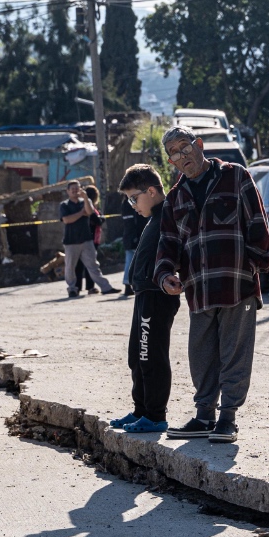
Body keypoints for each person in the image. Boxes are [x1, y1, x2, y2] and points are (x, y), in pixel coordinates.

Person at [154, 126, 269, 444]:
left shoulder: (235, 176)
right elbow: (167, 243)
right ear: (171, 162)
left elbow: (257, 223)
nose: (181, 156)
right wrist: (165, 276)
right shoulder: (175, 197)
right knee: (202, 354)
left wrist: (255, 266)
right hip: (199, 287)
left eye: (184, 147)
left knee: (235, 352)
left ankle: (228, 418)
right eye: (174, 153)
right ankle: (204, 415)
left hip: (238, 284)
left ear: (199, 144)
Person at [110, 164, 180, 434]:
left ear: (151, 191)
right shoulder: (152, 217)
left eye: (133, 198)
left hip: (157, 295)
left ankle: (155, 415)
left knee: (151, 356)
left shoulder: (166, 215)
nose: (131, 205)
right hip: (143, 296)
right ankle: (141, 410)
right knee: (136, 357)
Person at [59, 180, 117, 297]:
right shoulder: (64, 205)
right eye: (73, 189)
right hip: (71, 241)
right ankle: (72, 288)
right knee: (70, 267)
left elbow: (90, 212)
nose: (75, 191)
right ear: (68, 191)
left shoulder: (86, 201)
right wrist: (81, 213)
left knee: (93, 266)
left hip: (86, 239)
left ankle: (106, 287)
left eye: (77, 188)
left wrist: (85, 198)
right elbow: (66, 220)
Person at [120, 188, 150, 296]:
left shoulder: (125, 203)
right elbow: (133, 223)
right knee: (131, 261)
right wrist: (135, 237)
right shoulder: (129, 204)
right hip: (134, 237)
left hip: (131, 236)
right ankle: (128, 284)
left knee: (132, 260)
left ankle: (130, 284)